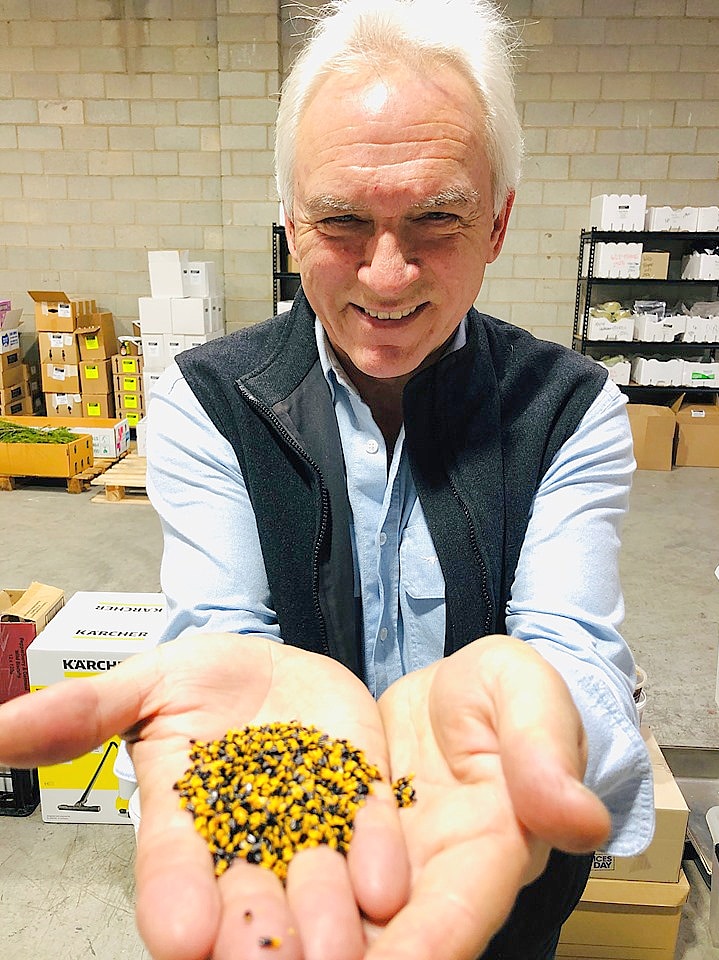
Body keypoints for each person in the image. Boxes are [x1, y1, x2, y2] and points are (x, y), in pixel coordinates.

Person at [0, 2, 654, 959]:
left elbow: (574, 650)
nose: (386, 278)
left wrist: (541, 716)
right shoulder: (207, 398)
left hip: (492, 881)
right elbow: (222, 637)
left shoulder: (566, 406)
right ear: (291, 220)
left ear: (500, 222)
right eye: (343, 222)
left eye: (437, 217)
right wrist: (245, 742)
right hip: (285, 889)